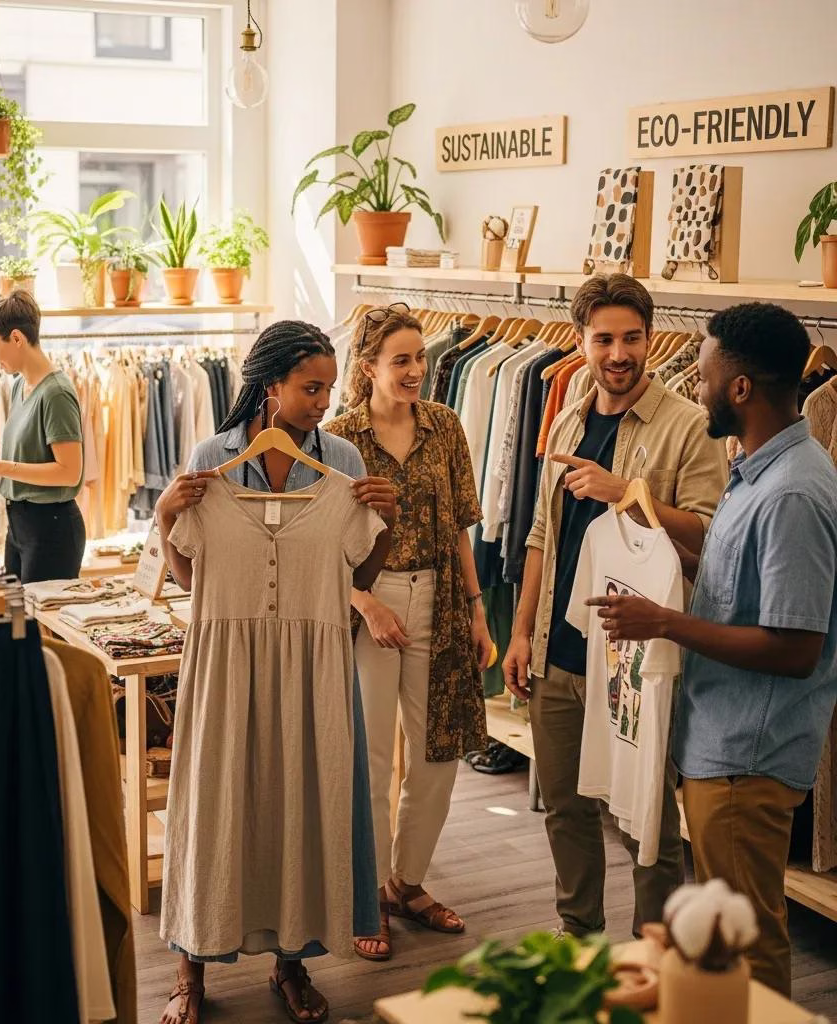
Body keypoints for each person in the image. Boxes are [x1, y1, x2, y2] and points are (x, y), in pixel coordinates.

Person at [589, 302, 837, 996]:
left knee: (746, 943)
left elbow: (795, 647)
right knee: (726, 940)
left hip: (745, 757)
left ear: (741, 387)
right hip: (719, 742)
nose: (694, 388)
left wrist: (665, 622)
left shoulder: (791, 494)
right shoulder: (755, 471)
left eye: (702, 375)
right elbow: (742, 592)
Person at [154, 320, 397, 1024]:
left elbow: (360, 575)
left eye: (328, 389)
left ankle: (291, 963)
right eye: (310, 388)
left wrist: (387, 520)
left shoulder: (343, 460)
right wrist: (167, 515)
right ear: (270, 384)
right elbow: (190, 578)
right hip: (225, 662)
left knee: (301, 804)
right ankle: (190, 969)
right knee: (212, 805)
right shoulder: (213, 457)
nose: (323, 402)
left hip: (311, 666)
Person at [502, 274, 728, 939]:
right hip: (559, 650)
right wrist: (522, 633)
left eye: (632, 338)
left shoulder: (689, 426)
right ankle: (579, 934)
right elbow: (541, 535)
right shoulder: (567, 417)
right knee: (563, 805)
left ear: (651, 339)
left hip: (635, 658)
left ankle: (655, 950)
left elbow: (709, 538)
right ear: (581, 342)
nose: (619, 354)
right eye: (604, 340)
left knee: (645, 817)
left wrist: (626, 493)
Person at [325, 303, 493, 962]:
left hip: (441, 599)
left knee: (438, 753)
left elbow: (459, 528)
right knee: (368, 756)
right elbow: (317, 546)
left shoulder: (444, 425)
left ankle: (407, 882)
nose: (417, 370)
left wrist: (477, 609)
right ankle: (366, 895)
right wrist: (364, 601)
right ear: (368, 366)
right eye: (402, 360)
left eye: (420, 358)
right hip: (368, 605)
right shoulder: (339, 439)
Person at [0, 291, 84, 584]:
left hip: (51, 529)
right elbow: (24, 457)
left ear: (17, 338)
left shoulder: (56, 393)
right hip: (20, 525)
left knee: (38, 613)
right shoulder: (21, 384)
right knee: (16, 611)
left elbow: (70, 472)